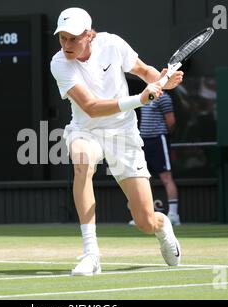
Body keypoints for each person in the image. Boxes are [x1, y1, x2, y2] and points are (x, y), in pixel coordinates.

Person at [50, 7, 184, 276]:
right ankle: (91, 254)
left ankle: (162, 226)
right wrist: (139, 100)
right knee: (82, 162)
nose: (67, 44)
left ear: (90, 35)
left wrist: (162, 81)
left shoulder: (113, 44)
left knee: (145, 221)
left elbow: (144, 71)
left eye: (73, 38)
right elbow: (91, 107)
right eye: (62, 38)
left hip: (123, 134)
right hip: (85, 129)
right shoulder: (59, 63)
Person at [129, 91, 180, 226]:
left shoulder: (164, 97)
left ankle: (174, 215)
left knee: (166, 177)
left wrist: (161, 134)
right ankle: (144, 215)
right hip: (144, 141)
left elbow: (171, 121)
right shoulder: (145, 94)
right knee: (144, 178)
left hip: (158, 140)